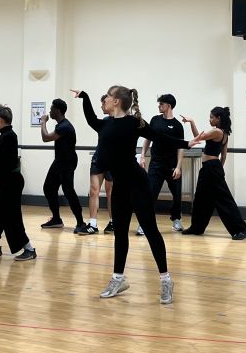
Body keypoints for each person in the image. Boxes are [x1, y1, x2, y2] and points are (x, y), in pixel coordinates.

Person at [72, 85, 192, 304]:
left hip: (138, 184)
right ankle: (118, 278)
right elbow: (90, 119)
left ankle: (166, 279)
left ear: (116, 101)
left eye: (108, 97)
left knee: (151, 230)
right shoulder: (105, 124)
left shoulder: (134, 123)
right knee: (120, 232)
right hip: (120, 186)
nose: (105, 100)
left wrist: (187, 143)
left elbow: (159, 136)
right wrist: (85, 97)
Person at [180, 107, 246, 239]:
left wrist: (192, 121)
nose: (210, 119)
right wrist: (220, 169)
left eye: (212, 117)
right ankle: (197, 227)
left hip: (211, 169)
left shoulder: (217, 132)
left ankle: (241, 229)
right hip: (212, 168)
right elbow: (223, 156)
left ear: (219, 118)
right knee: (201, 199)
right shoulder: (224, 133)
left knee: (224, 201)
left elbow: (198, 138)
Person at [0, 105, 36, 261]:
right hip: (3, 180)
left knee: (11, 217)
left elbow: (6, 165)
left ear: (1, 119)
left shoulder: (9, 136)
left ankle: (29, 249)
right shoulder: (4, 136)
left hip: (10, 182)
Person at [140, 94, 187, 234]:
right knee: (150, 194)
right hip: (156, 164)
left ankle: (176, 220)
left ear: (169, 106)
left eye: (161, 104)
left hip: (172, 165)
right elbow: (148, 139)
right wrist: (142, 155)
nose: (159, 106)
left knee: (177, 195)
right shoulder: (155, 120)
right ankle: (144, 223)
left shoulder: (178, 126)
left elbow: (181, 147)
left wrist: (178, 167)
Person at [39, 98, 87, 233]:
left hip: (67, 162)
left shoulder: (64, 126)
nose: (49, 111)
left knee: (68, 191)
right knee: (48, 188)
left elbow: (45, 137)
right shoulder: (61, 125)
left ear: (58, 110)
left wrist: (43, 122)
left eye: (51, 108)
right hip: (60, 161)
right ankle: (56, 219)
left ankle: (81, 223)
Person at [85, 94, 115, 234]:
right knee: (93, 191)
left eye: (103, 102)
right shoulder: (104, 121)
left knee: (111, 193)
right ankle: (93, 224)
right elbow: (91, 118)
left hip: (113, 162)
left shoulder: (125, 121)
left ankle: (112, 222)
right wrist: (85, 97)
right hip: (99, 160)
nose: (102, 105)